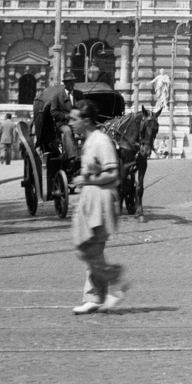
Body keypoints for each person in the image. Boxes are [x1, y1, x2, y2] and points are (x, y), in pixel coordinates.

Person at [70, 100, 127, 314]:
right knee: (90, 249)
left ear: (86, 120)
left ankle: (114, 279)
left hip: (100, 200)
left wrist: (87, 180)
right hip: (90, 199)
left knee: (87, 248)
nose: (70, 123)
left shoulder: (101, 141)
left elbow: (112, 173)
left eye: (74, 119)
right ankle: (96, 297)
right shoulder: (89, 140)